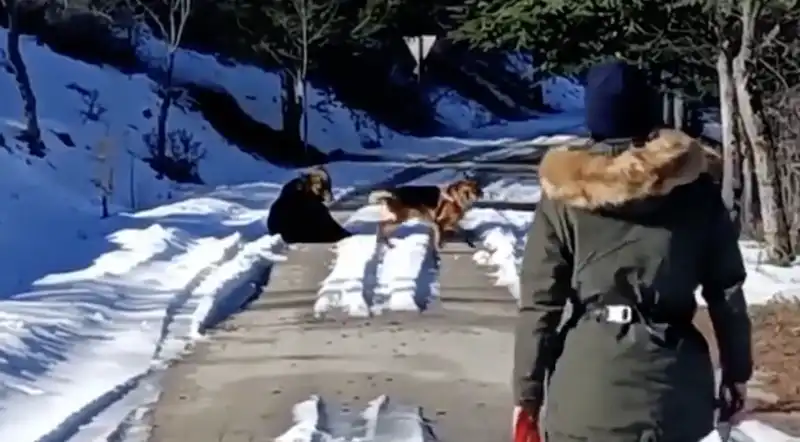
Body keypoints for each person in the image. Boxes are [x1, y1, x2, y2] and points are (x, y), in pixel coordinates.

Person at [513, 60, 753, 442]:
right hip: (675, 390)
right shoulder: (694, 190)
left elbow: (540, 304)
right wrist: (737, 373)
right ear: (650, 113)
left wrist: (527, 395)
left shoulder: (566, 196)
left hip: (587, 388)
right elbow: (726, 292)